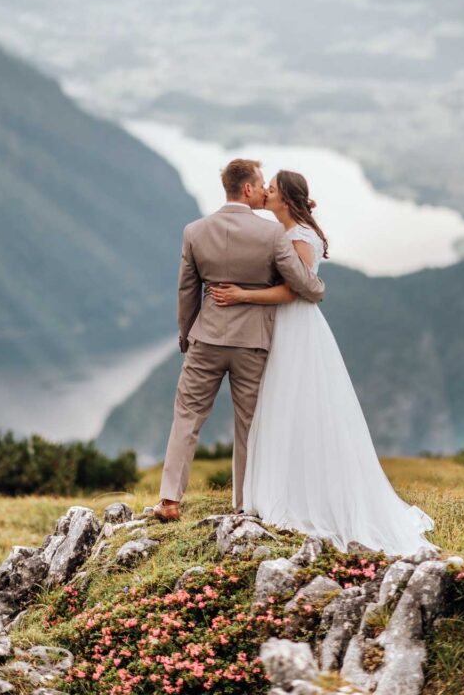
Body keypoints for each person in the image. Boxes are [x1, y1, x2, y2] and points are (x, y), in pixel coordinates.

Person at [209, 169, 436, 555]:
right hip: (288, 326)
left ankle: (298, 496)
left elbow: (296, 292)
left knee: (294, 403)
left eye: (273, 190)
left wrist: (243, 296)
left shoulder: (297, 236)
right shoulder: (286, 232)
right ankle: (282, 487)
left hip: (295, 327)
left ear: (287, 200)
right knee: (284, 405)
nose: (266, 193)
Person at [152, 159, 325, 522]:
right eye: (262, 184)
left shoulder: (194, 231)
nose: (265, 190)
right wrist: (318, 286)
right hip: (253, 343)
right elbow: (302, 282)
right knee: (249, 423)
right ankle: (244, 503)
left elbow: (187, 292)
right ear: (247, 189)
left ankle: (169, 500)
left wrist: (187, 335)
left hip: (207, 339)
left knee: (187, 416)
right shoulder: (272, 234)